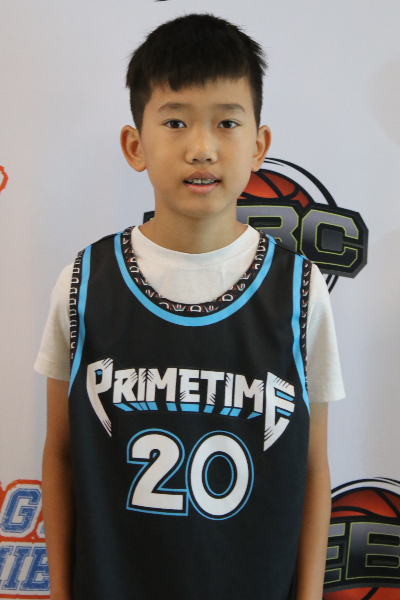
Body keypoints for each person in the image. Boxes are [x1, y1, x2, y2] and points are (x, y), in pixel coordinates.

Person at [35, 13, 345, 600]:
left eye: (226, 122)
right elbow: (62, 452)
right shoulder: (85, 281)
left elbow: (311, 469)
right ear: (135, 145)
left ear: (258, 145)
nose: (202, 148)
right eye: (175, 121)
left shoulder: (300, 290)